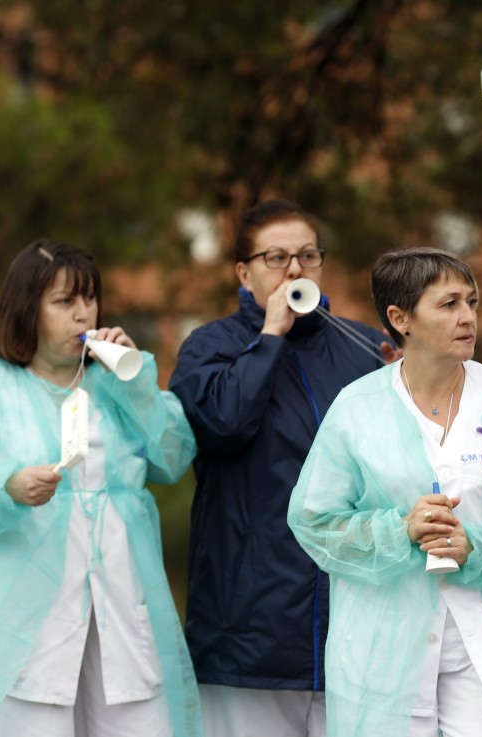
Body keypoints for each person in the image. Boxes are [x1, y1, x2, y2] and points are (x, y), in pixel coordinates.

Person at [0, 239, 201, 737]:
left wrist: (137, 384)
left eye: (89, 299)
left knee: (140, 722)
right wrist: (4, 486)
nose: (83, 314)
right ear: (27, 308)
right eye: (64, 302)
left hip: (117, 605)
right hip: (18, 611)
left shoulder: (111, 379)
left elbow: (174, 459)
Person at [287, 247, 482, 737]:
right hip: (385, 656)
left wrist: (481, 546)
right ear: (400, 318)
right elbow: (314, 522)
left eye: (471, 302)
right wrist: (399, 530)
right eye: (448, 305)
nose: (467, 317)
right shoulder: (357, 409)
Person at [168, 200, 392, 737]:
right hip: (248, 630)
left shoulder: (362, 347)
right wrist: (270, 336)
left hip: (352, 624)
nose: (295, 270)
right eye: (276, 257)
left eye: (308, 256)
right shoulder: (210, 347)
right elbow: (223, 425)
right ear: (244, 273)